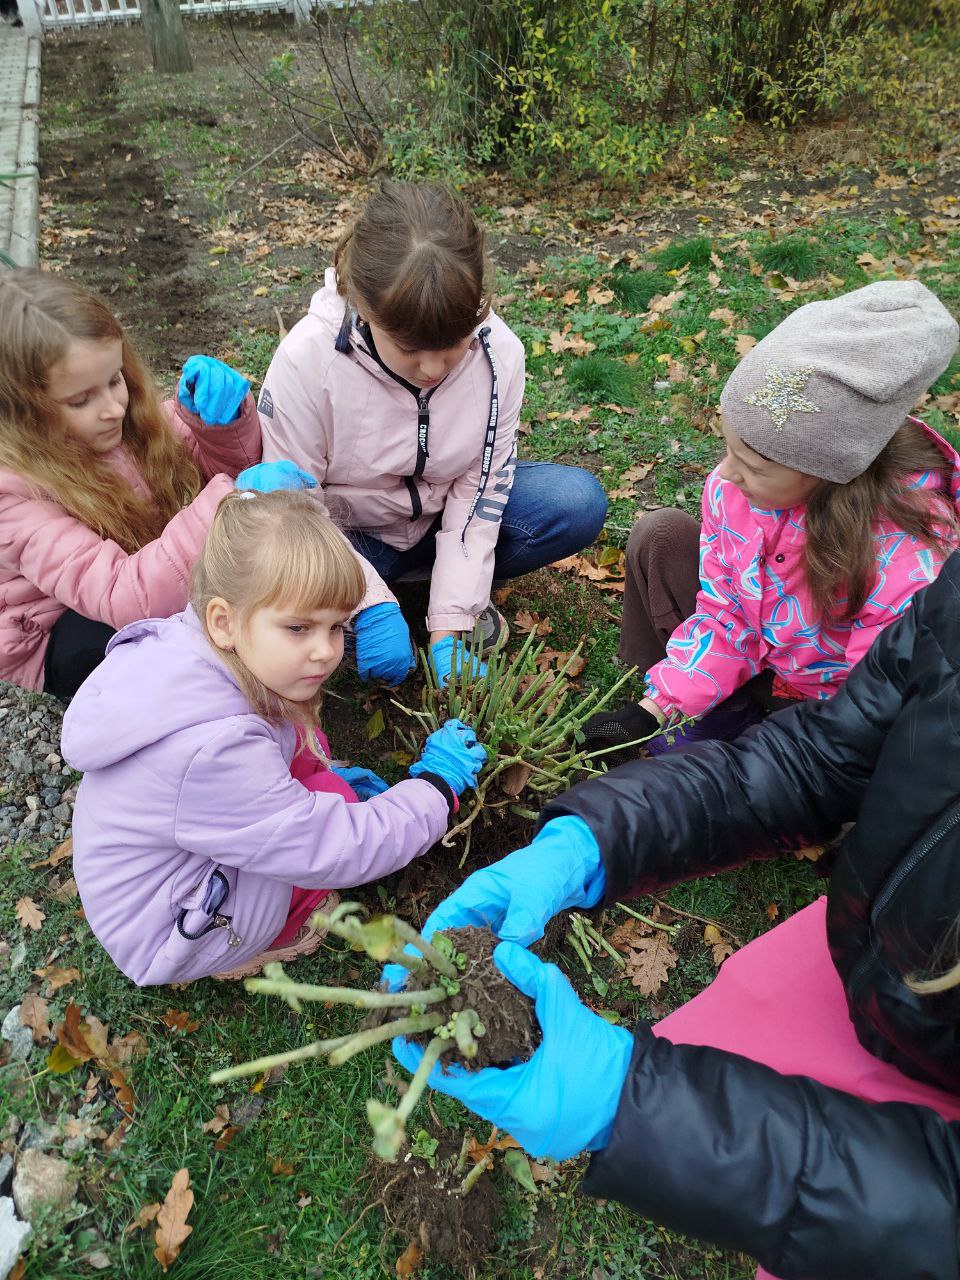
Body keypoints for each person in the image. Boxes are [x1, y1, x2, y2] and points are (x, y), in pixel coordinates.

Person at [392, 547, 960, 1280]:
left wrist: (641, 1111)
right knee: (709, 1052)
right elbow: (825, 755)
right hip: (866, 946)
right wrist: (591, 840)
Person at [60, 489, 486, 987]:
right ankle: (272, 932)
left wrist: (316, 776)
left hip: (151, 881)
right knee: (327, 813)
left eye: (336, 627)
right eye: (299, 627)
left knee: (326, 785)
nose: (326, 652)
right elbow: (336, 848)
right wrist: (436, 786)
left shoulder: (191, 648)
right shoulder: (213, 751)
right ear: (224, 621)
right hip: (167, 933)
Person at [585, 279, 959, 757]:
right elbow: (729, 614)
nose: (726, 472)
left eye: (754, 466)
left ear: (830, 471)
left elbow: (876, 706)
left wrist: (794, 758)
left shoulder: (906, 561)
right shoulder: (734, 493)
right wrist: (656, 706)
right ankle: (721, 711)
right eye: (729, 448)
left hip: (832, 714)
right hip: (763, 664)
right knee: (662, 535)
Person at [257, 181, 608, 689]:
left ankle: (438, 600)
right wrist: (367, 602)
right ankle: (378, 608)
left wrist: (449, 628)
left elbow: (481, 489)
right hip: (353, 538)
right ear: (367, 309)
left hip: (439, 522)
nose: (432, 367)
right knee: (302, 615)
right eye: (409, 347)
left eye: (452, 345)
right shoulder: (309, 361)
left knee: (575, 501)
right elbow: (295, 511)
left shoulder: (500, 356)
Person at [0, 269, 264, 698]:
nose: (114, 408)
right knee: (163, 646)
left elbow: (236, 468)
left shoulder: (134, 424)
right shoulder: (12, 496)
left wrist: (220, 426)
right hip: (58, 628)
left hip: (135, 578)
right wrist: (226, 504)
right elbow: (125, 598)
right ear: (22, 413)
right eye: (82, 399)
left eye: (115, 379)